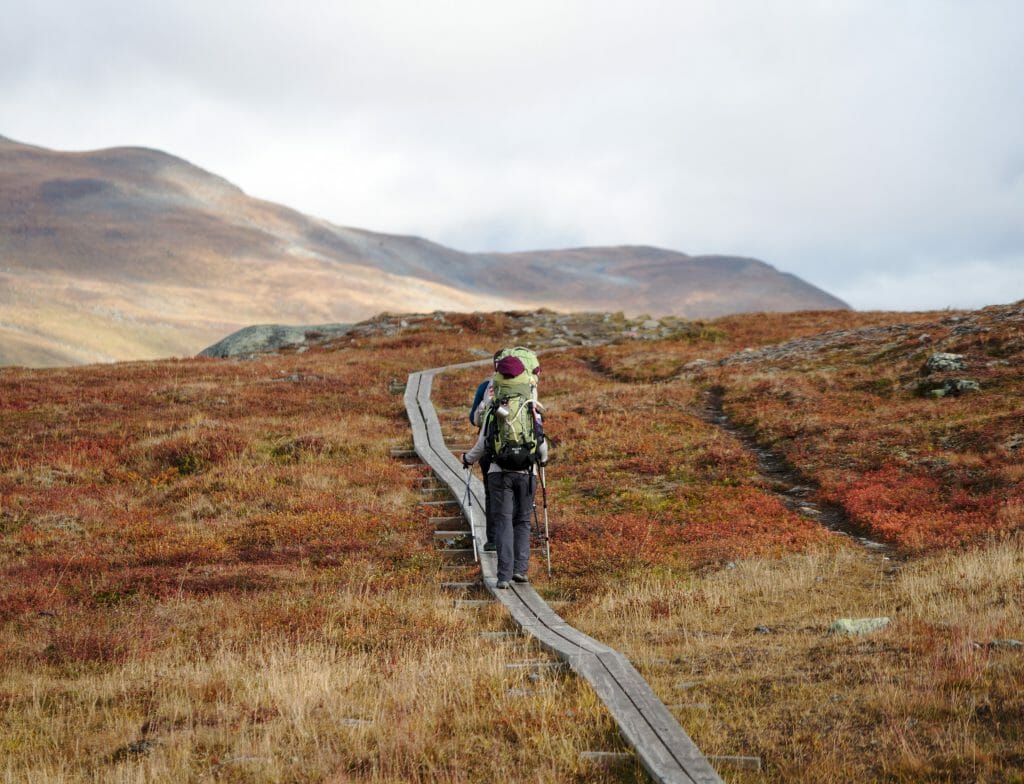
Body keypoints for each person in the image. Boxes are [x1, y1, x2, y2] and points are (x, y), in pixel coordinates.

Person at [463, 355, 548, 589]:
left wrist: (467, 459)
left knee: (503, 522)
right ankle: (521, 570)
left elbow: (482, 443)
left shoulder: (494, 406)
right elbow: (541, 441)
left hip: (499, 472)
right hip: (526, 473)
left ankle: (503, 576)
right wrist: (543, 460)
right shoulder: (530, 405)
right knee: (522, 521)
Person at [468, 375, 496, 550]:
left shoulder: (486, 386)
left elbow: (474, 418)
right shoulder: (526, 386)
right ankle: (515, 540)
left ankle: (493, 540)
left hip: (489, 451)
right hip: (522, 456)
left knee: (492, 493)